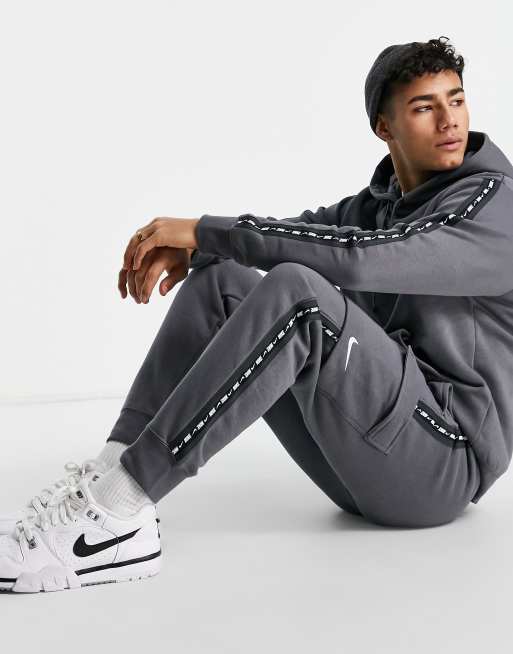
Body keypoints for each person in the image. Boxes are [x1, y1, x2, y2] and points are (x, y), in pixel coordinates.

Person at [2, 35, 513, 594]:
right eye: (424, 107)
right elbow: (309, 233)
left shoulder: (493, 204)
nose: (449, 120)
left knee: (299, 293)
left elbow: (358, 259)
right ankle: (106, 481)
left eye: (456, 100)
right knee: (222, 283)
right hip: (367, 460)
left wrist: (203, 230)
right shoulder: (381, 204)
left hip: (441, 466)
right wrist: (200, 251)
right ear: (384, 127)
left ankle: (120, 510)